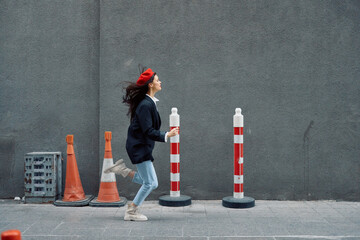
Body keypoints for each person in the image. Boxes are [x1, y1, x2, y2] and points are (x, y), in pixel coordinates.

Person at [105, 66, 179, 221]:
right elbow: (148, 131)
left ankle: (123, 170)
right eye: (158, 80)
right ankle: (131, 211)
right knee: (150, 183)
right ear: (150, 84)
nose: (160, 82)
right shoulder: (145, 105)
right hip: (139, 147)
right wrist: (167, 134)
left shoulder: (149, 102)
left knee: (152, 182)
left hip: (140, 146)